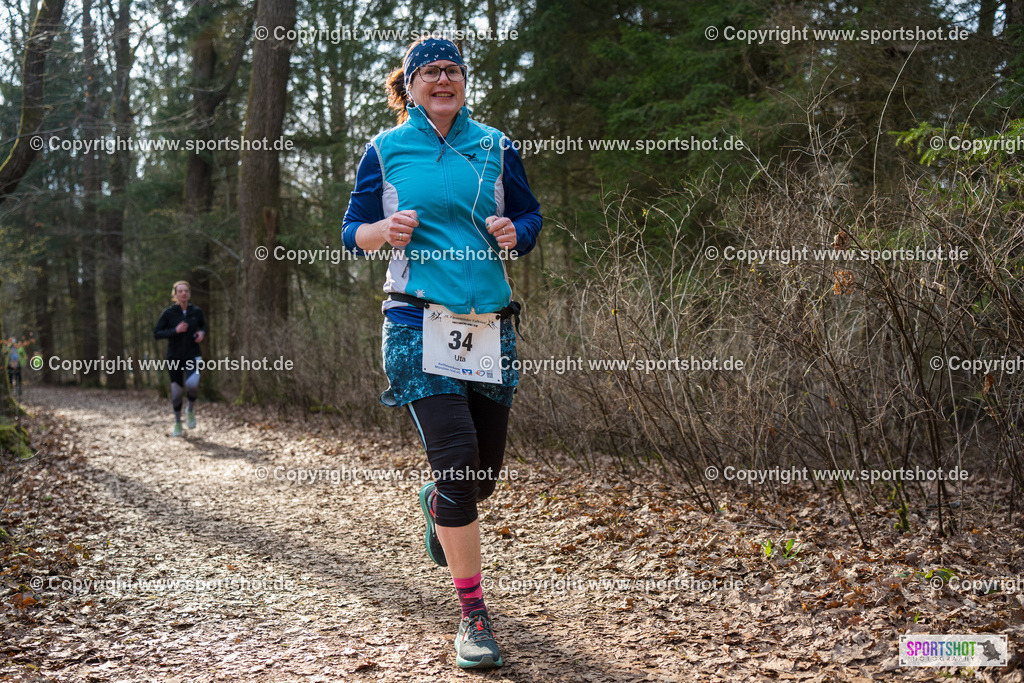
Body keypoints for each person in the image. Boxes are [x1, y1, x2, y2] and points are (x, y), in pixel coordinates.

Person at [342, 38, 541, 669]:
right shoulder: (385, 150)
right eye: (431, 71)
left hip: (487, 325)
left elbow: (532, 217)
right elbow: (353, 232)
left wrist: (518, 232)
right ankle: (473, 616)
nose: (444, 79)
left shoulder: (496, 145)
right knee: (456, 461)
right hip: (415, 320)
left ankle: (439, 505)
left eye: (453, 70)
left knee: (480, 477)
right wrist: (383, 231)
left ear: (463, 81)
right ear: (412, 82)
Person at [153, 281, 206, 436]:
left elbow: (203, 326)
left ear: (189, 293)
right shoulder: (168, 313)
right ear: (175, 294)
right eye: (180, 291)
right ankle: (177, 423)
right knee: (176, 393)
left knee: (192, 384)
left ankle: (190, 410)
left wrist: (202, 333)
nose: (183, 294)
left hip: (193, 354)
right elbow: (157, 333)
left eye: (186, 291)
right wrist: (175, 331)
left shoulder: (196, 311)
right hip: (174, 356)